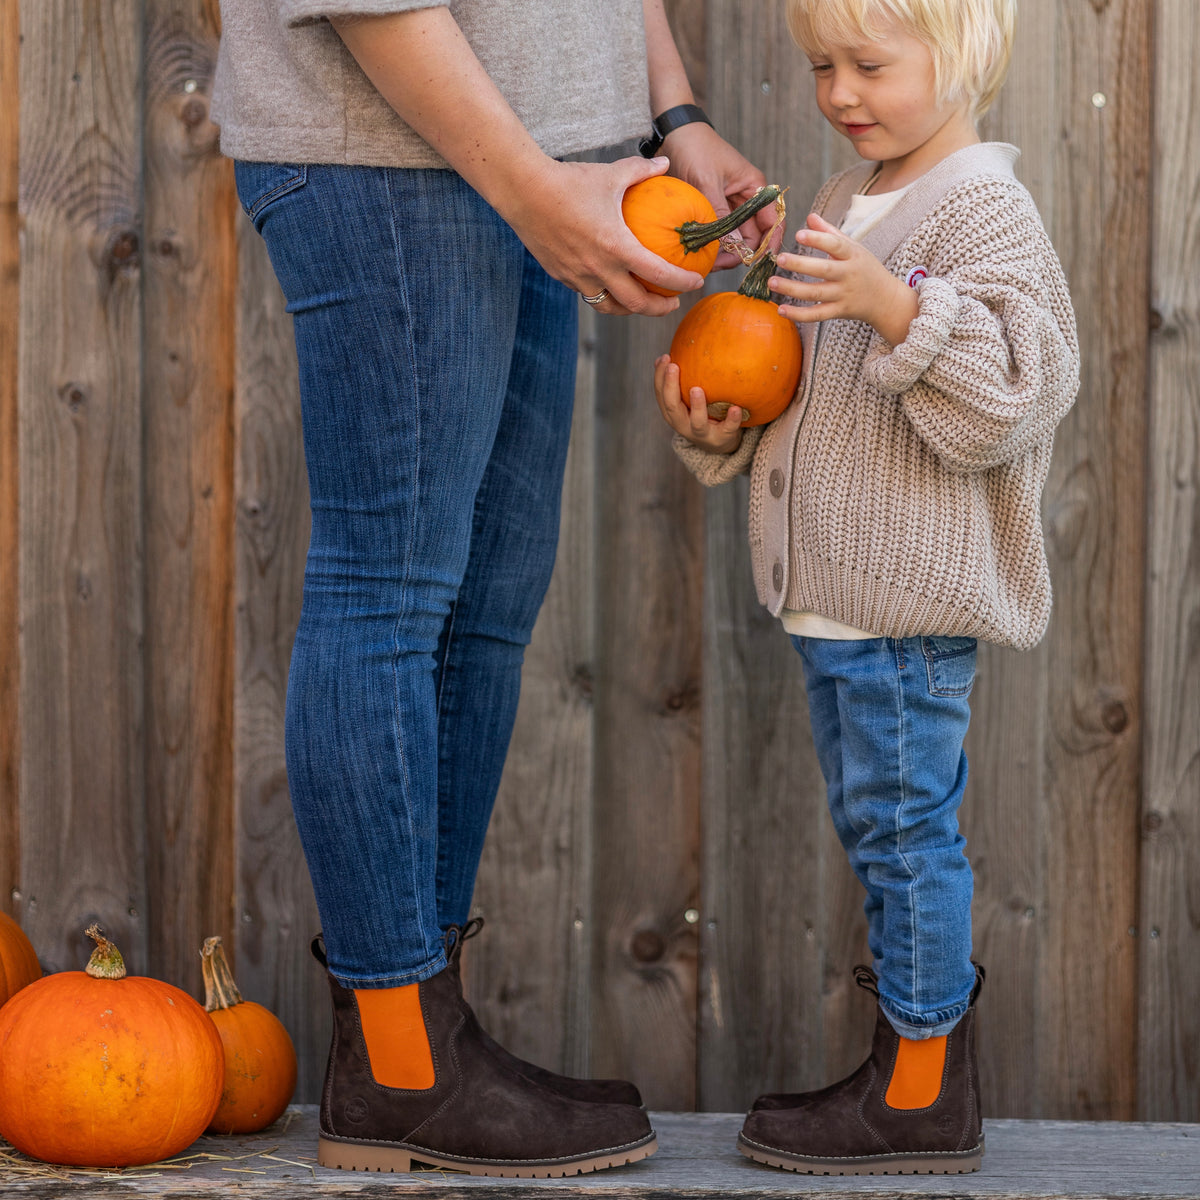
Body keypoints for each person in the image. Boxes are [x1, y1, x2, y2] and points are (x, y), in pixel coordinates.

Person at [211, 0, 771, 1180]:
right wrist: (532, 187)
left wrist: (674, 117)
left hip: (548, 166)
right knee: (391, 590)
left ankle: (420, 1036)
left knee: (486, 607)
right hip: (390, 155)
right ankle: (401, 1060)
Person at [655, 0, 1078, 1175]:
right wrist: (723, 420)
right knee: (881, 832)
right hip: (840, 610)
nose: (839, 91)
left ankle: (925, 1089)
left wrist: (895, 304)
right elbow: (808, 391)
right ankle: (908, 1062)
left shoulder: (984, 206)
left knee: (906, 841)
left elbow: (1018, 389)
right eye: (819, 66)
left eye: (869, 65)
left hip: (905, 619)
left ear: (962, 55)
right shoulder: (847, 200)